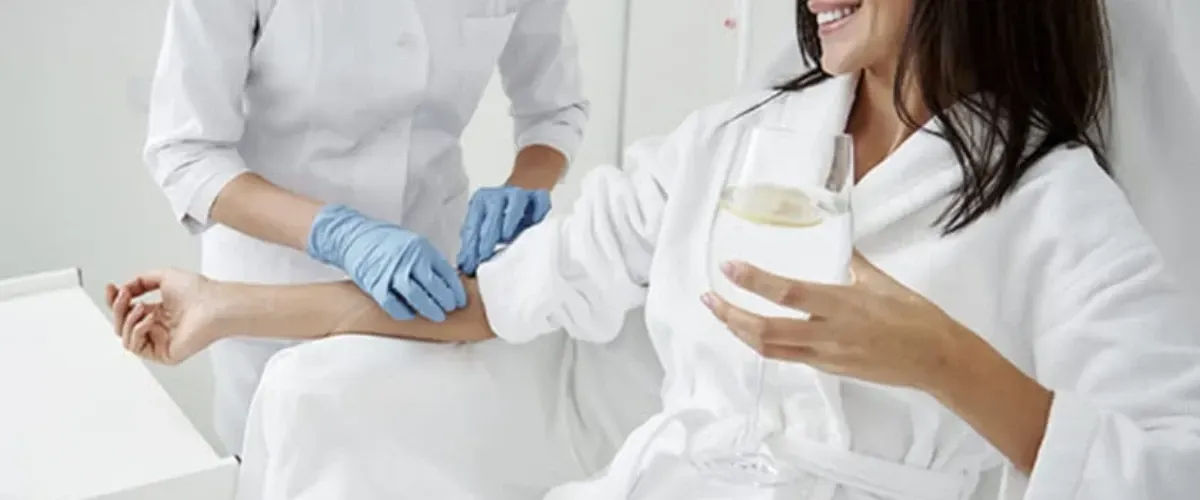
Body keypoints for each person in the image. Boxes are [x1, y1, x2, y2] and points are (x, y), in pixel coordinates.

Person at [112, 0, 1200, 498]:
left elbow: (1171, 464)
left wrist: (939, 357)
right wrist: (224, 301)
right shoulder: (739, 142)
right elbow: (499, 294)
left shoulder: (1058, 207)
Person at [143, 0, 587, 453]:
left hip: (430, 284)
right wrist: (335, 232)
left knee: (419, 462)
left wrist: (526, 185)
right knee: (281, 464)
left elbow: (555, 111)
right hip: (272, 287)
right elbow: (186, 152)